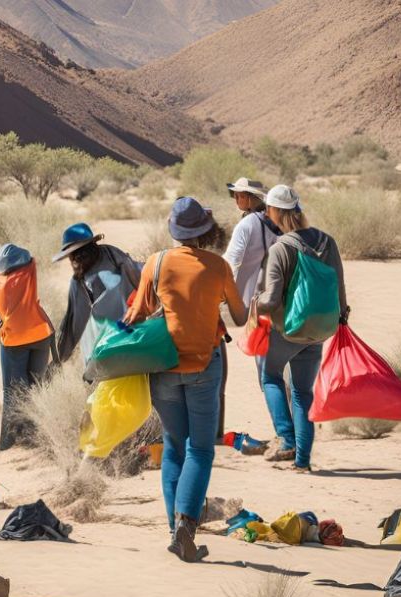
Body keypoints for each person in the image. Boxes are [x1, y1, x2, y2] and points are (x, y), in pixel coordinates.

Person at [124, 197, 247, 562]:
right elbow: (239, 317)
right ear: (204, 231)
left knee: (174, 447)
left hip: (163, 367)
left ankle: (174, 530)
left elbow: (137, 312)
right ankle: (185, 528)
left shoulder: (156, 263)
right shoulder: (218, 265)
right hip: (204, 367)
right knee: (201, 449)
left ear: (173, 230)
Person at [255, 185, 347, 472]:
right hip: (321, 328)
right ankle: (302, 461)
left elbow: (270, 301)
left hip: (289, 330)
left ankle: (286, 439)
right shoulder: (327, 241)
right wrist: (342, 316)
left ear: (274, 212)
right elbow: (339, 284)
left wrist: (252, 305)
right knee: (303, 392)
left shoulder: (280, 248)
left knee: (270, 376)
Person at [220, 177, 279, 446]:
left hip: (257, 305)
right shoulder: (278, 222)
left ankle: (285, 435)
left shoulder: (247, 224)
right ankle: (294, 430)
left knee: (266, 372)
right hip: (284, 301)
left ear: (251, 198)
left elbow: (229, 263)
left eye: (239, 195)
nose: (236, 199)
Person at [0, 243, 55, 452]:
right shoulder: (30, 272)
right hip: (41, 334)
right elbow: (33, 259)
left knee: (12, 390)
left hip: (14, 340)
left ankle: (8, 441)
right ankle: (34, 435)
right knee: (36, 386)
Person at [54, 222, 140, 366]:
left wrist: (60, 356)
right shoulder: (112, 253)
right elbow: (139, 276)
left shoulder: (79, 281)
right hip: (136, 332)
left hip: (109, 346)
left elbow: (75, 322)